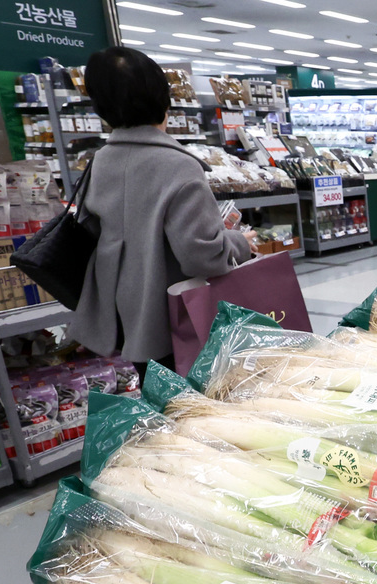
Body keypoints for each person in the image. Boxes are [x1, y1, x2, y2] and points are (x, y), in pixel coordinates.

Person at [73, 46, 253, 373]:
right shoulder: (177, 166)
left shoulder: (100, 161)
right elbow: (202, 256)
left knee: (163, 409)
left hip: (126, 315)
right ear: (162, 98)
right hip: (180, 321)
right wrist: (241, 242)